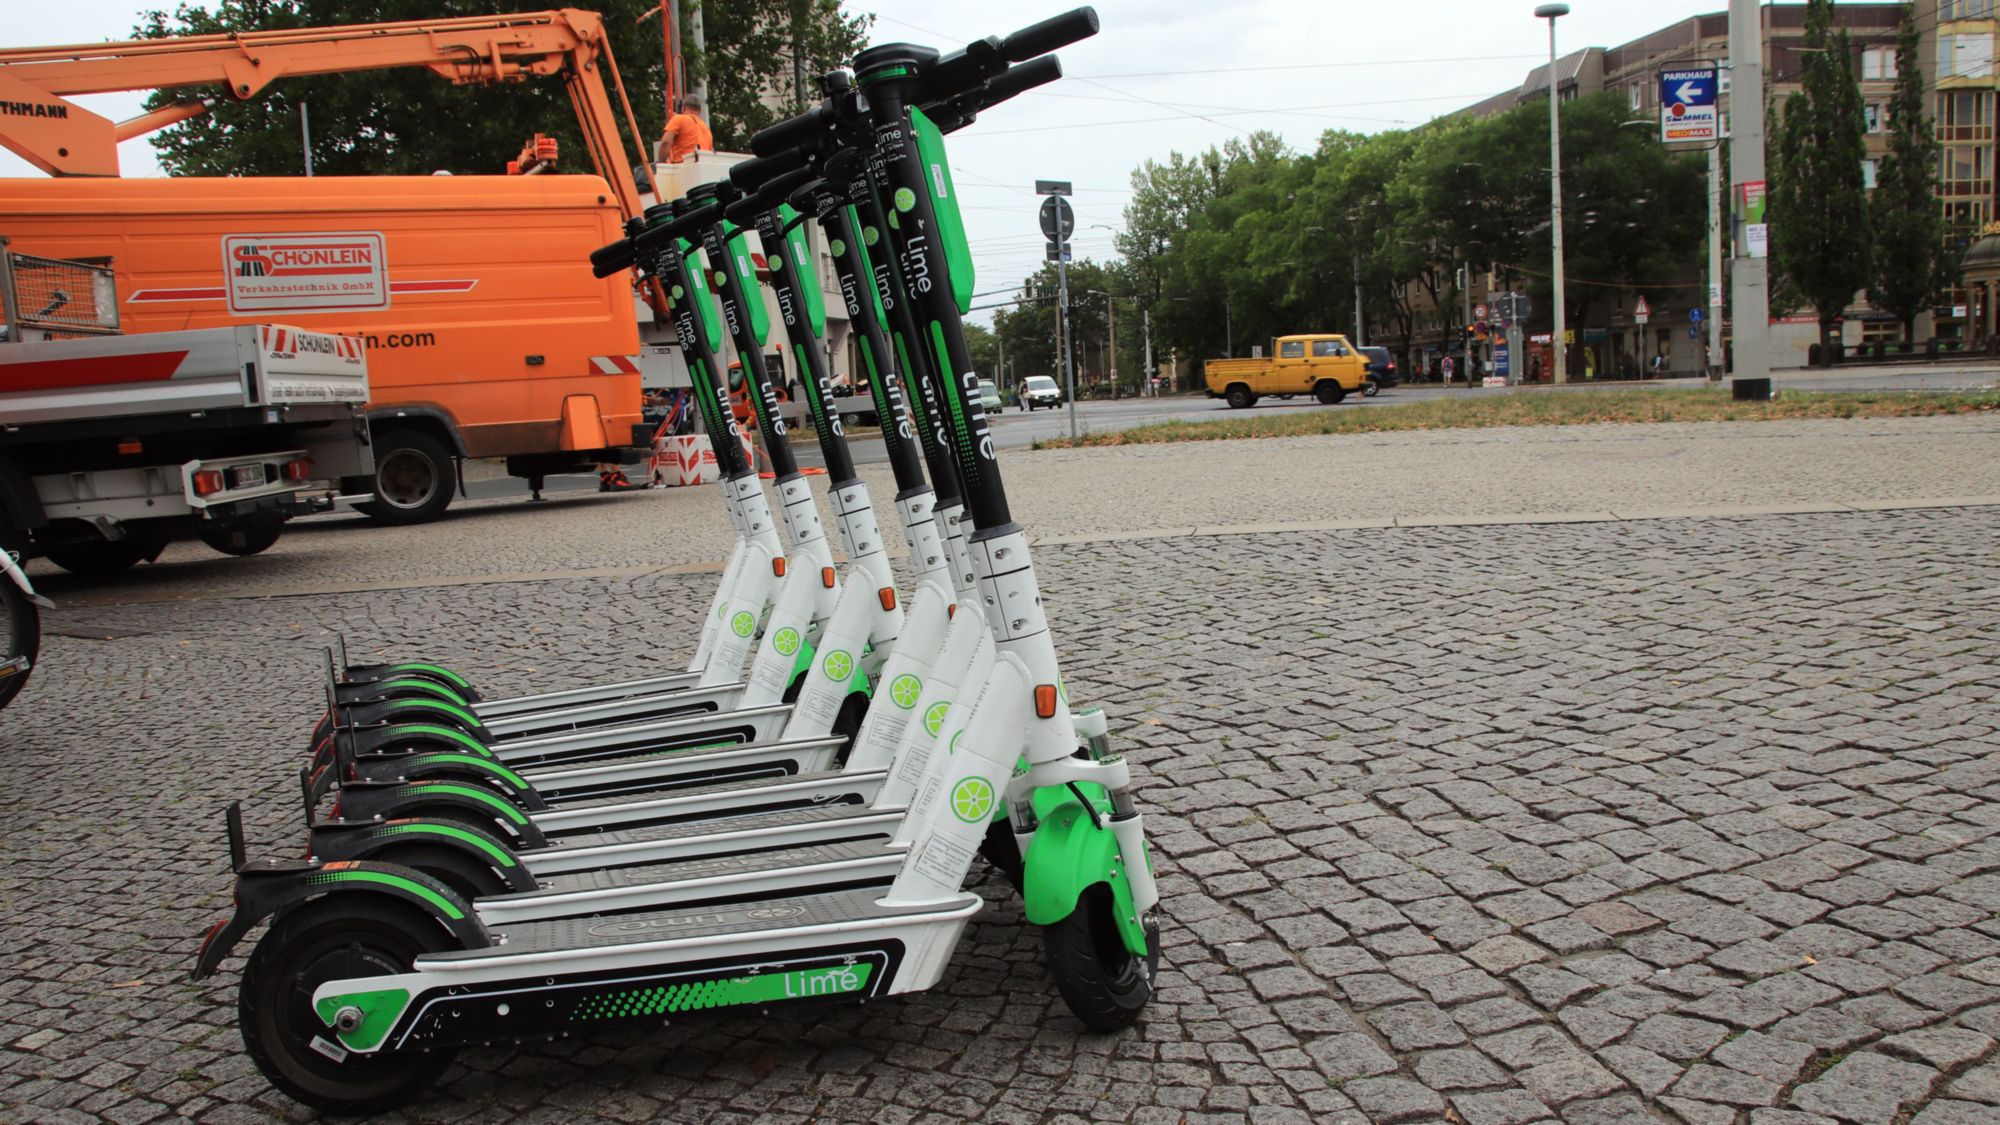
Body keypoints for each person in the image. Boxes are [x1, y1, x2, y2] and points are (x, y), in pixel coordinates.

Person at [658, 93, 713, 164]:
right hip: (703, 166)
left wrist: (661, 164)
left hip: (682, 166)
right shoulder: (706, 128)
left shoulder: (679, 119)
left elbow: (665, 143)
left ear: (683, 108)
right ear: (699, 110)